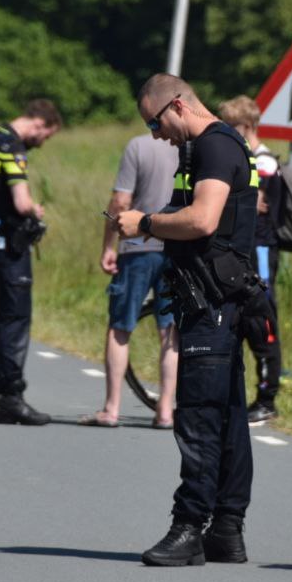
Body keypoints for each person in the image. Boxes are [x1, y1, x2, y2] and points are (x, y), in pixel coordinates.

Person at [116, 74, 262, 567]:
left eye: (156, 123)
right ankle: (226, 528)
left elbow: (202, 220)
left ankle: (188, 528)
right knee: (227, 417)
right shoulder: (204, 149)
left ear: (177, 106)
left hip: (214, 302)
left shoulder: (216, 148)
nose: (156, 134)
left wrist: (145, 223)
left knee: (199, 416)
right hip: (212, 299)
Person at [0, 99, 62, 426]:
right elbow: (22, 201)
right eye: (46, 135)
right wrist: (35, 210)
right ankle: (10, 397)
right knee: (15, 318)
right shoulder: (12, 148)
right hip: (11, 244)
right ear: (39, 123)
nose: (42, 142)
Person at [80, 134, 178, 429]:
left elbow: (120, 201)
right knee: (170, 331)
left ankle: (111, 408)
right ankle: (165, 410)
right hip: (175, 248)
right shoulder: (190, 147)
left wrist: (108, 244)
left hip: (136, 249)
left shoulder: (138, 146)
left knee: (120, 327)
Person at [218, 96, 284, 424]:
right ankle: (242, 395)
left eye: (232, 127)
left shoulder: (265, 162)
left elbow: (255, 204)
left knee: (263, 319)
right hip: (245, 248)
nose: (227, 133)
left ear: (248, 127)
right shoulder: (246, 158)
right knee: (243, 319)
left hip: (260, 249)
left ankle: (267, 397)